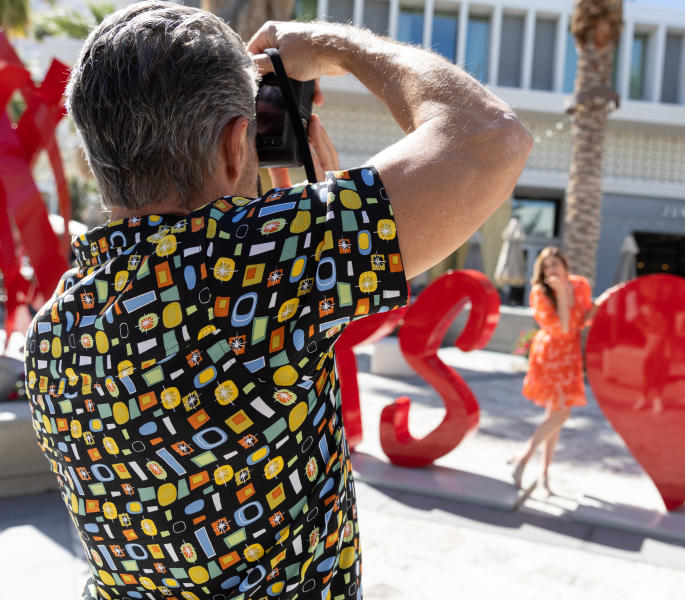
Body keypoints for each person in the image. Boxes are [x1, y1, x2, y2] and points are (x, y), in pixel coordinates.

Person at [23, 3, 531, 599]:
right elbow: (491, 137)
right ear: (238, 144)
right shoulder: (268, 265)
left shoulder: (52, 332)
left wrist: (297, 238)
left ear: (94, 158)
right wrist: (332, 45)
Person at [512, 247, 599, 494]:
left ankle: (544, 475)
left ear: (564, 265)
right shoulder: (540, 293)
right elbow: (561, 327)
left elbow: (585, 318)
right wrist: (560, 293)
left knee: (555, 417)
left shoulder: (580, 285)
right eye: (547, 266)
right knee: (561, 415)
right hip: (550, 353)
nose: (552, 270)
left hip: (570, 353)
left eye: (555, 264)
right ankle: (524, 457)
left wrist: (605, 301)